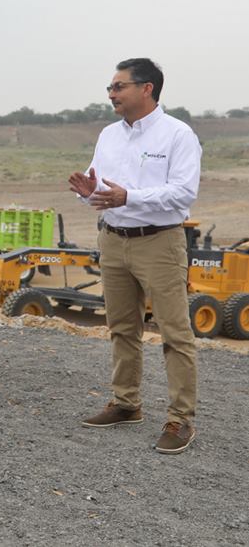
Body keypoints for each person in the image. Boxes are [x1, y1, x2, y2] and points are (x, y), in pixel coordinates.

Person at [69, 58, 201, 454]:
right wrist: (86, 189)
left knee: (175, 333)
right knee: (122, 327)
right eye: (110, 88)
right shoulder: (109, 135)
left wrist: (131, 196)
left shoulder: (177, 135)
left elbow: (183, 193)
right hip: (112, 238)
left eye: (119, 86)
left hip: (158, 242)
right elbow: (101, 189)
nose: (111, 94)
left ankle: (180, 419)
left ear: (147, 89)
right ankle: (126, 404)